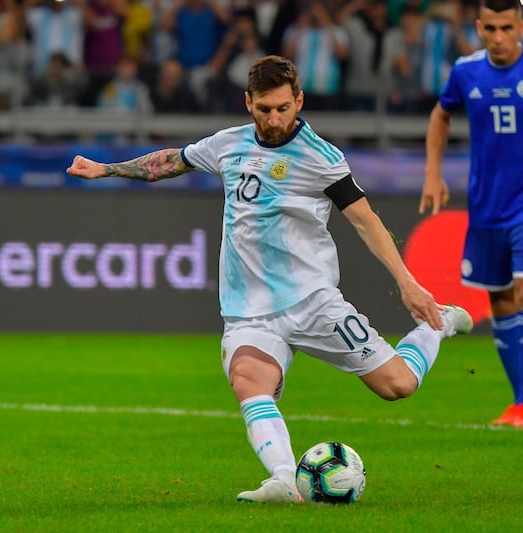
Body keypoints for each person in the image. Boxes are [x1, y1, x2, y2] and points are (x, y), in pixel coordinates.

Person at [67, 55, 473, 503]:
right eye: (264, 109)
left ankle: (438, 324)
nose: (274, 119)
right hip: (249, 310)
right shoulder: (228, 144)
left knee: (398, 386)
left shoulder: (320, 158)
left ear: (299, 100)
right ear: (248, 103)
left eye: (283, 108)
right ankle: (284, 479)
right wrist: (106, 169)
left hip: (313, 302)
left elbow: (366, 221)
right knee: (247, 377)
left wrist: (407, 282)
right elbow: (172, 161)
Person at [419, 0, 523, 428]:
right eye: (490, 28)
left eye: (507, 28)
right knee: (501, 300)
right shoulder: (467, 71)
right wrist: (432, 173)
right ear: (478, 27)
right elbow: (440, 113)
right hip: (485, 208)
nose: (499, 38)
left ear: (522, 26)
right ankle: (518, 403)